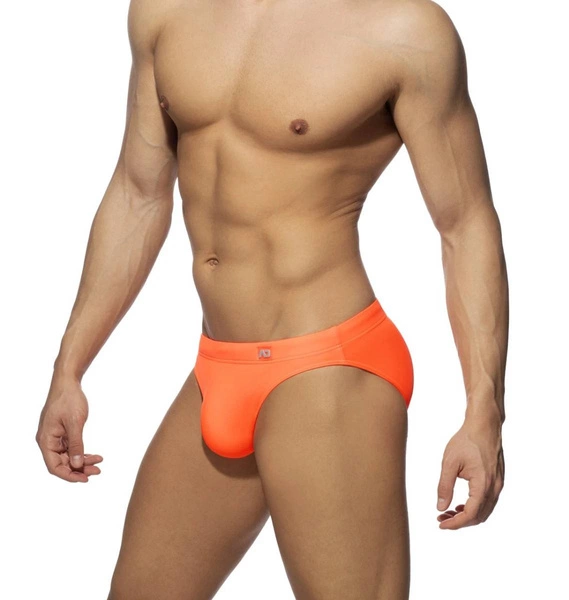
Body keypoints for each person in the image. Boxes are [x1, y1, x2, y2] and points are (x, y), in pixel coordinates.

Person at [35, 0, 508, 597]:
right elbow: (138, 193)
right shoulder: (165, 9)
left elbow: (465, 224)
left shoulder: (404, 30)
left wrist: (484, 411)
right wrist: (70, 367)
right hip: (218, 366)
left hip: (329, 368)